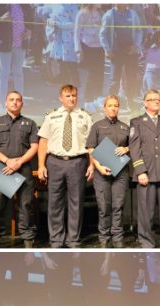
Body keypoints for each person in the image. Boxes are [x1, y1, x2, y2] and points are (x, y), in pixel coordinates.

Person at [38, 84, 93, 249]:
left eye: (74, 95)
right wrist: (41, 165)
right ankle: (56, 238)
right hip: (55, 162)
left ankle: (73, 239)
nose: (71, 99)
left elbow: (91, 144)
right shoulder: (51, 116)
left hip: (77, 162)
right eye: (68, 96)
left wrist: (92, 165)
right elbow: (43, 141)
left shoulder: (85, 116)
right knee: (55, 201)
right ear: (61, 98)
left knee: (76, 201)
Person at [0, 90, 39, 248]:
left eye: (18, 100)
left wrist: (19, 162)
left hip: (23, 168)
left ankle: (28, 239)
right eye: (11, 100)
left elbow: (34, 147)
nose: (15, 102)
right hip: (2, 168)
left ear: (22, 103)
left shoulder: (30, 123)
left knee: (26, 205)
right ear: (6, 103)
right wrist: (7, 161)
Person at [128, 90, 160, 249]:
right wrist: (140, 171)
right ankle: (146, 241)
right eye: (152, 100)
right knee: (146, 211)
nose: (156, 102)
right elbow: (134, 148)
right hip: (147, 172)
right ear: (145, 103)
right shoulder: (136, 122)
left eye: (158, 100)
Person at [86, 95, 132, 248]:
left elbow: (134, 146)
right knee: (104, 206)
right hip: (102, 172)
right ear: (104, 108)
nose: (113, 108)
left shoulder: (126, 127)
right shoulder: (97, 126)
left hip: (121, 173)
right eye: (110, 105)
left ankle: (117, 237)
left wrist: (126, 148)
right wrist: (98, 167)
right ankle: (104, 237)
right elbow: (91, 148)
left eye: (116, 105)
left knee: (117, 206)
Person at [0, 4, 34, 109]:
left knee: (18, 73)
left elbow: (31, 21)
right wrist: (0, 19)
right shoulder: (0, 5)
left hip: (20, 43)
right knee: (4, 73)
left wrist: (29, 30)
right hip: (4, 43)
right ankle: (2, 103)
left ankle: (19, 102)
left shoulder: (26, 6)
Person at [100, 5, 143, 112]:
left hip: (130, 51)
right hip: (115, 52)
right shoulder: (109, 15)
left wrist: (136, 45)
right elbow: (103, 33)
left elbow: (139, 31)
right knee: (114, 80)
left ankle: (131, 102)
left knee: (131, 78)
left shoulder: (133, 14)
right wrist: (107, 49)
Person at [75, 5, 104, 104]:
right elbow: (77, 32)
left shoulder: (101, 13)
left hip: (100, 47)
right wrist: (78, 49)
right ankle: (88, 98)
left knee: (99, 73)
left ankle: (98, 97)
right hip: (87, 46)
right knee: (89, 74)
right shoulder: (82, 13)